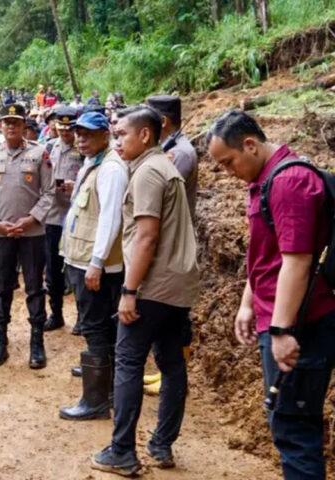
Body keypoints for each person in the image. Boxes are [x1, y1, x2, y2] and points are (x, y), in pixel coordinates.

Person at [207, 111, 335, 480]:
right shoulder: (266, 178)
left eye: (229, 162)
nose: (228, 172)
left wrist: (281, 330)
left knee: (294, 429)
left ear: (251, 145)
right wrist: (248, 303)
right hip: (282, 318)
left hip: (302, 324)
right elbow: (268, 254)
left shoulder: (288, 182)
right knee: (289, 425)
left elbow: (296, 262)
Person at [91, 106, 198, 476]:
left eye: (122, 134)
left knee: (129, 361)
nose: (117, 141)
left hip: (152, 286)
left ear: (146, 135)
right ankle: (161, 445)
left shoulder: (149, 172)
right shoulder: (164, 167)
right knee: (171, 365)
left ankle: (122, 450)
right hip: (178, 286)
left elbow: (147, 236)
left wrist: (129, 290)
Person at [58, 112, 128, 420]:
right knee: (100, 326)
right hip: (83, 258)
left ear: (105, 135)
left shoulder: (111, 168)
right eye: (78, 133)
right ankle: (108, 389)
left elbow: (111, 218)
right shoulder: (94, 163)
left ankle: (96, 399)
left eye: (88, 134)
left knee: (95, 327)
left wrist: (97, 262)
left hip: (94, 263)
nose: (81, 138)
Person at [0, 103, 55, 369]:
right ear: (0, 125)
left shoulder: (39, 153)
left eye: (16, 122)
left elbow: (49, 193)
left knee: (34, 287)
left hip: (32, 233)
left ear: (24, 125)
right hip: (0, 235)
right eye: (6, 121)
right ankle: (0, 343)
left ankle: (37, 344)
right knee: (1, 288)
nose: (10, 126)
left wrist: (31, 219)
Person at [143, 94, 199, 396]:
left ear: (162, 121)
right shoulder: (170, 149)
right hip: (168, 239)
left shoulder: (181, 153)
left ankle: (175, 374)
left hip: (176, 243)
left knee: (177, 312)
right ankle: (166, 369)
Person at [43, 106, 82, 332]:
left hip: (76, 217)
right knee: (53, 270)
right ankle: (55, 313)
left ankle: (81, 316)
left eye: (69, 128)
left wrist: (73, 187)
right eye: (61, 127)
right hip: (53, 217)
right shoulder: (49, 147)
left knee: (76, 269)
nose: (65, 132)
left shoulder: (83, 149)